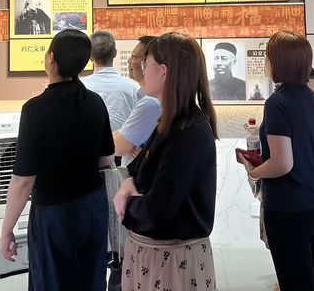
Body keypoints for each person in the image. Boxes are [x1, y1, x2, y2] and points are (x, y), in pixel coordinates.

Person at [0, 29, 115, 290]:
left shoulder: (35, 109)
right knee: (90, 280)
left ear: (51, 58)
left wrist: (7, 229)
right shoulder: (95, 102)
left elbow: (23, 180)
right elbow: (107, 159)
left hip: (54, 216)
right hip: (92, 209)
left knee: (52, 282)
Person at [114, 33, 218, 291]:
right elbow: (137, 170)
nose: (142, 69)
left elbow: (158, 209)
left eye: (146, 63)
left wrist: (126, 200)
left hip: (172, 260)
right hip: (153, 255)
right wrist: (128, 184)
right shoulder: (169, 121)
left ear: (163, 71)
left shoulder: (189, 130)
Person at [238, 31, 314, 291]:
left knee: (294, 283)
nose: (265, 63)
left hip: (288, 211)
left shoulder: (277, 103)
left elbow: (283, 163)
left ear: (278, 63)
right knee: (310, 278)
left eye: (268, 57)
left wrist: (253, 171)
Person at [114, 35, 161, 166]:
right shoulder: (142, 96)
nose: (129, 61)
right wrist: (122, 137)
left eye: (134, 56)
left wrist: (122, 138)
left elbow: (118, 147)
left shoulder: (151, 103)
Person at [82, 31, 139, 137]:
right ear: (115, 53)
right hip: (123, 146)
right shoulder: (132, 88)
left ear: (89, 56)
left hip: (89, 146)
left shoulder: (80, 87)